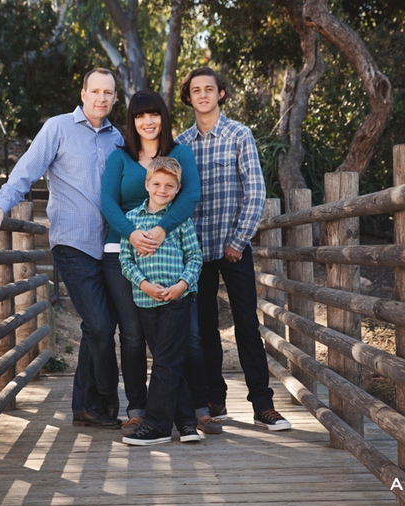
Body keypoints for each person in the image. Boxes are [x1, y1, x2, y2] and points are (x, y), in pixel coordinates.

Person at [0, 68, 123, 429]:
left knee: (99, 328)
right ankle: (108, 396)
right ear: (83, 93)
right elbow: (27, 170)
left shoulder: (118, 139)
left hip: (110, 248)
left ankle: (84, 406)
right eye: (96, 91)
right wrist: (1, 203)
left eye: (109, 93)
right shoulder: (57, 128)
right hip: (73, 243)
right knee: (101, 326)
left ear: (115, 98)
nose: (102, 98)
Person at [175, 67, 291, 431]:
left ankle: (262, 404)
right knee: (205, 328)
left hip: (234, 247)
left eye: (210, 89)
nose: (204, 95)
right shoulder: (181, 144)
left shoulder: (239, 134)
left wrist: (238, 241)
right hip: (197, 251)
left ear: (221, 94)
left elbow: (255, 192)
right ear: (189, 97)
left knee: (246, 325)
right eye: (196, 90)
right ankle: (215, 399)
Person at [101, 90, 221, 436]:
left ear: (163, 118)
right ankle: (139, 409)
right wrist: (133, 234)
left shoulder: (179, 153)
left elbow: (192, 195)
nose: (147, 121)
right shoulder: (119, 157)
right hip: (125, 254)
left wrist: (159, 228)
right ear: (132, 121)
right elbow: (108, 202)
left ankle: (196, 410)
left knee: (191, 337)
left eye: (154, 114)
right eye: (140, 116)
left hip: (174, 255)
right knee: (135, 336)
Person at [119, 156, 202, 445]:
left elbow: (195, 258)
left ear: (178, 189)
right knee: (169, 361)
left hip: (177, 300)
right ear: (146, 185)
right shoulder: (132, 220)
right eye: (156, 184)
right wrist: (143, 284)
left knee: (165, 362)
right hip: (145, 301)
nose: (162, 190)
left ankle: (157, 426)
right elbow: (125, 261)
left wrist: (182, 285)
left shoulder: (179, 221)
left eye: (169, 185)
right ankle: (188, 422)